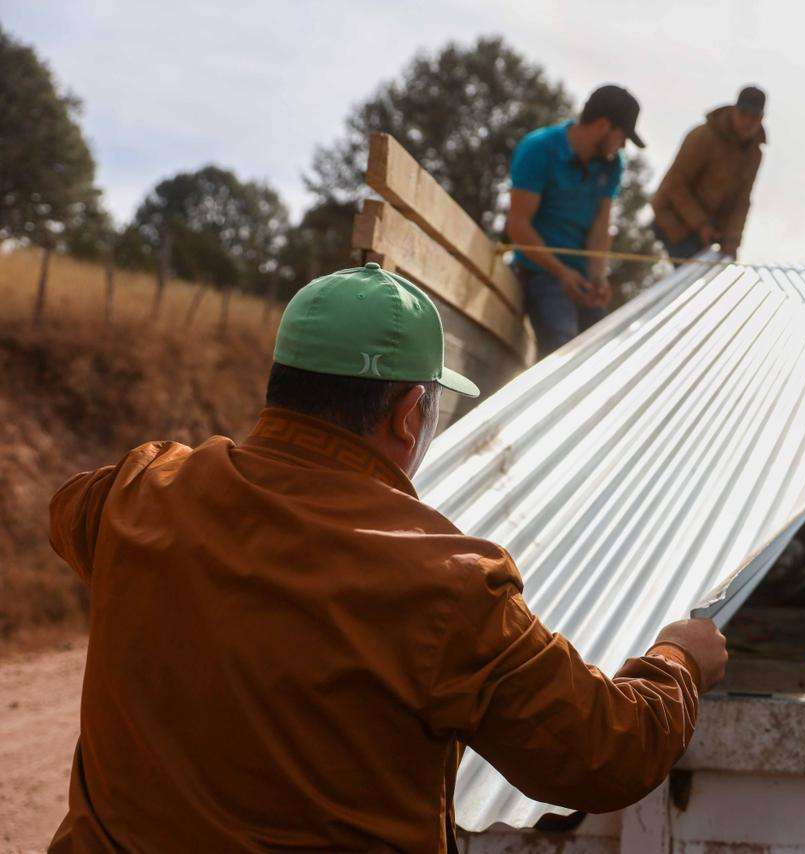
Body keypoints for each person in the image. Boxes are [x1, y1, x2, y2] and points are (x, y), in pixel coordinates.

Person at [47, 262, 728, 852]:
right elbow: (602, 755)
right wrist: (679, 661)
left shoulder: (141, 490)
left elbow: (70, 511)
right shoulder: (447, 584)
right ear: (408, 414)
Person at [506, 84, 644, 358]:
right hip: (540, 273)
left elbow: (600, 227)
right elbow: (518, 226)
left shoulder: (613, 164)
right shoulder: (539, 148)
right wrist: (560, 271)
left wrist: (597, 279)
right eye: (622, 136)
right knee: (563, 346)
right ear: (604, 125)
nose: (623, 145)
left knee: (605, 348)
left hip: (579, 280)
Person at [650, 85, 767, 261]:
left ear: (762, 118)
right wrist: (702, 225)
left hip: (704, 235)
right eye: (744, 114)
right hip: (672, 222)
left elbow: (741, 201)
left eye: (755, 117)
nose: (748, 122)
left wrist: (731, 244)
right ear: (734, 110)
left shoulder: (754, 154)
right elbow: (675, 185)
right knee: (686, 282)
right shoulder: (703, 137)